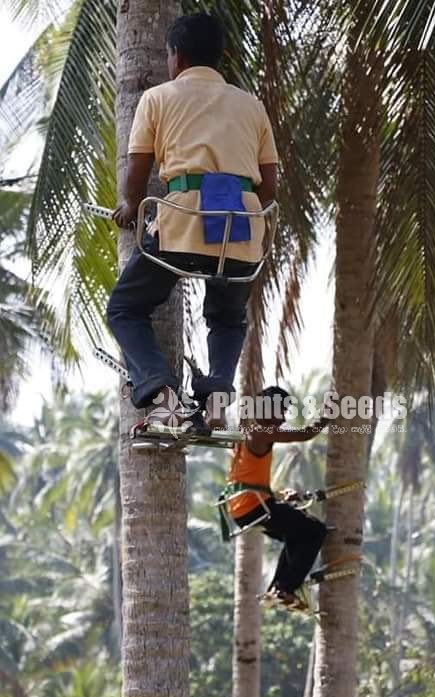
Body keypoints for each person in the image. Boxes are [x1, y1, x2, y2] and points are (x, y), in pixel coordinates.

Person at [107, 13, 278, 433]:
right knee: (227, 318)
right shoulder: (250, 104)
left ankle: (164, 398)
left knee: (126, 309)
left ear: (176, 56)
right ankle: (217, 398)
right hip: (240, 228)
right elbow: (270, 185)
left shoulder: (158, 98)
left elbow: (137, 166)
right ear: (219, 57)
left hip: (181, 224)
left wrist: (130, 206)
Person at [224, 387, 328, 607]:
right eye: (281, 411)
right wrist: (328, 414)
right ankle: (286, 588)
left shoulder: (247, 431)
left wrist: (279, 494)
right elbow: (306, 433)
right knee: (316, 531)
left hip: (243, 507)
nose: (282, 418)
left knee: (296, 535)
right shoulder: (261, 432)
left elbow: (246, 475)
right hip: (254, 506)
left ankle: (278, 589)